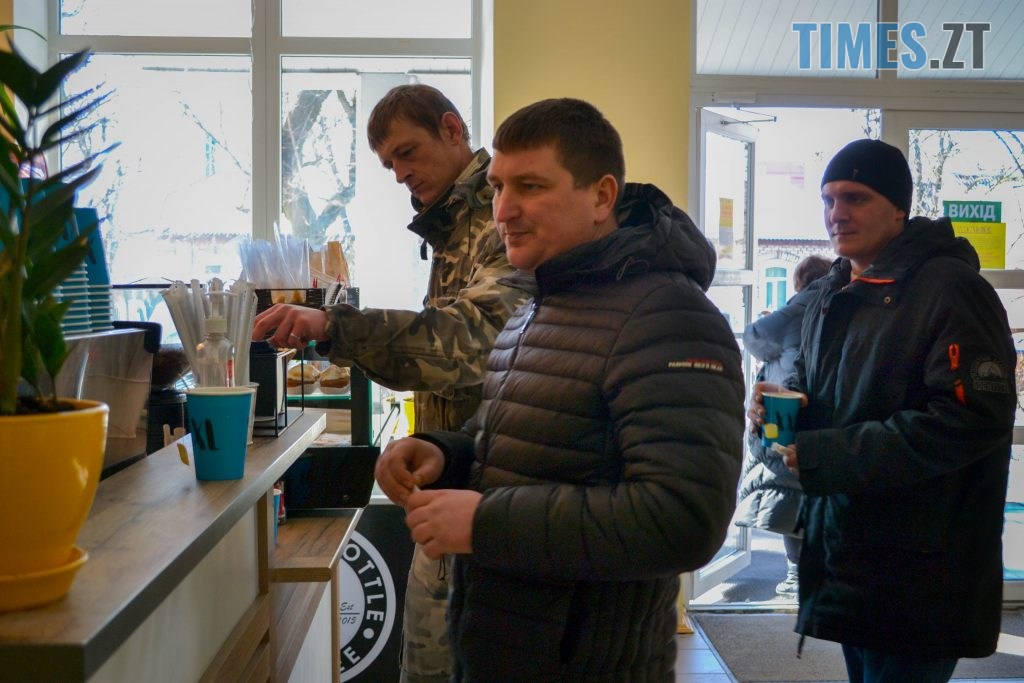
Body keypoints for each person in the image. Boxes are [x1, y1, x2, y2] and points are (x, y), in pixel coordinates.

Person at [375, 98, 746, 681]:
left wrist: (484, 523)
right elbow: (527, 444)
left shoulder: (670, 317)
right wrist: (444, 453)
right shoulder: (537, 305)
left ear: (601, 196)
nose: (504, 210)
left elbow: (682, 519)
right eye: (497, 187)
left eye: (530, 186)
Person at [252, 84, 525, 683]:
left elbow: (471, 343)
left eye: (407, 152)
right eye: (388, 164)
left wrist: (335, 327)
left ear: (452, 129)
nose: (400, 174)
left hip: (493, 510)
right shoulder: (451, 227)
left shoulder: (501, 219)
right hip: (446, 492)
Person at [749, 139, 1015, 682]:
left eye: (855, 198)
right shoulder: (835, 291)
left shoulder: (952, 290)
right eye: (828, 200)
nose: (836, 213)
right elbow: (821, 391)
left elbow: (971, 419)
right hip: (850, 560)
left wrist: (826, 453)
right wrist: (775, 406)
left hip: (921, 573)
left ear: (898, 208)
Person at [735, 253, 831, 597]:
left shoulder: (798, 306)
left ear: (799, 283)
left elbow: (754, 336)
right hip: (817, 409)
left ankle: (796, 575)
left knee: (789, 493)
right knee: (806, 490)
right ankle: (809, 574)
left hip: (785, 407)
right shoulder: (838, 300)